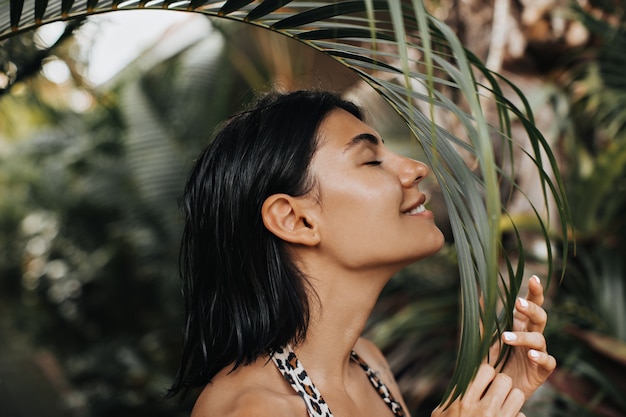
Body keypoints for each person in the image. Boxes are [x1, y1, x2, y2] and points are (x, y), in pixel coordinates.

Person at [168, 90, 556, 416]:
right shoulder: (252, 409)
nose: (416, 168)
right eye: (371, 161)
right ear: (295, 219)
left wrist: (498, 394)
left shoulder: (369, 364)